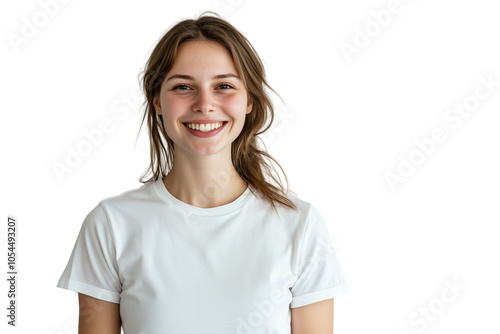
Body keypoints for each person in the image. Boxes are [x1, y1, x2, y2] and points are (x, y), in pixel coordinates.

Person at [57, 11, 348, 334]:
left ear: (249, 100)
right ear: (157, 101)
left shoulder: (301, 226)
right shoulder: (110, 224)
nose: (205, 104)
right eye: (183, 87)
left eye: (223, 86)